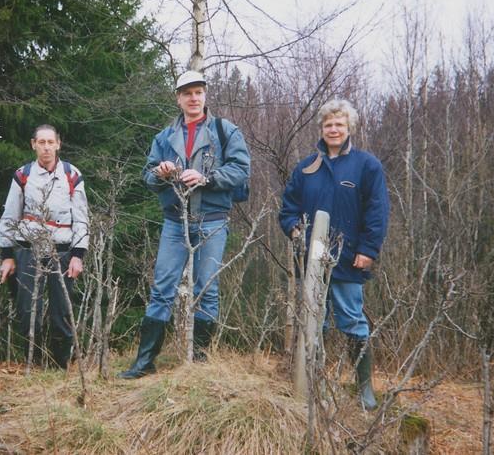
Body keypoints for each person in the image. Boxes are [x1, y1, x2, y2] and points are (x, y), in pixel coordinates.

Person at [118, 70, 251, 379]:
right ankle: (144, 363)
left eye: (198, 92)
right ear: (178, 98)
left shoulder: (225, 130)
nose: (193, 98)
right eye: (187, 93)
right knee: (162, 289)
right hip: (175, 223)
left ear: (205, 95)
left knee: (207, 289)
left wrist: (207, 178)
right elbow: (148, 177)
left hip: (212, 220)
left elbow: (241, 170)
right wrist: (160, 173)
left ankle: (201, 365)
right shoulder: (164, 137)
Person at [278, 99, 389, 410]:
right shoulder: (306, 168)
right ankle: (314, 383)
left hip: (349, 259)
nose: (334, 129)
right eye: (328, 124)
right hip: (311, 263)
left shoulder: (367, 165)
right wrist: (294, 230)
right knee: (315, 322)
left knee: (353, 321)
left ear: (349, 127)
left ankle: (364, 388)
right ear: (321, 129)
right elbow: (287, 210)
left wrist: (368, 250)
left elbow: (377, 212)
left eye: (339, 124)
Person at [0, 124, 89, 369]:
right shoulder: (23, 175)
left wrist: (78, 255)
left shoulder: (71, 174)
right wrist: (7, 255)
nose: (46, 147)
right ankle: (35, 364)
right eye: (42, 142)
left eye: (51, 142)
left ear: (58, 144)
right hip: (28, 249)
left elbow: (81, 217)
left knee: (61, 312)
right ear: (33, 145)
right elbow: (10, 215)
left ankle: (60, 367)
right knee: (28, 311)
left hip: (63, 250)